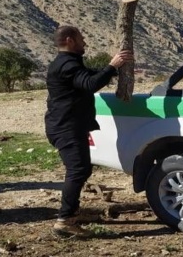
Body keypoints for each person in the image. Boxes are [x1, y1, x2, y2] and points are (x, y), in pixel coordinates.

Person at [45, 25, 133, 238]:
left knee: (81, 169)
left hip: (68, 125)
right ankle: (65, 221)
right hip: (66, 127)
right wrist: (112, 67)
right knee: (77, 170)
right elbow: (90, 83)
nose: (85, 42)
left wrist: (111, 68)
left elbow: (88, 76)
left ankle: (73, 212)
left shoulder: (68, 64)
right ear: (70, 40)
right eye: (82, 38)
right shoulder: (67, 64)